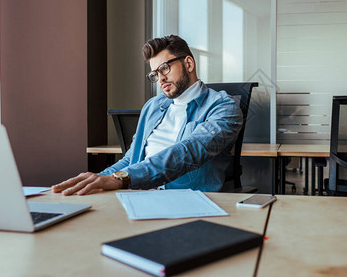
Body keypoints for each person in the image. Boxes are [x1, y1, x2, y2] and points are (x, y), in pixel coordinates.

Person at [52, 35, 243, 195]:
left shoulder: (223, 107)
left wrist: (121, 179)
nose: (160, 78)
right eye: (155, 74)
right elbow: (131, 158)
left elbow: (187, 153)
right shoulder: (152, 106)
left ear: (189, 63)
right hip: (136, 193)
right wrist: (97, 180)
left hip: (186, 201)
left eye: (165, 68)